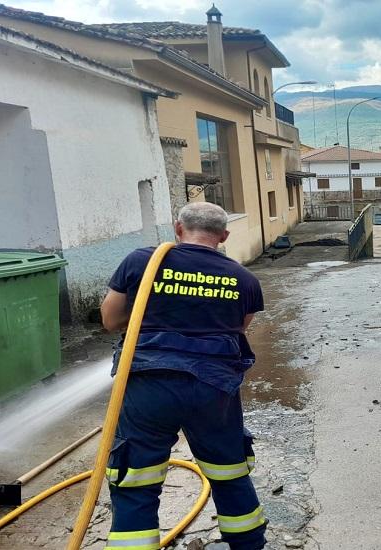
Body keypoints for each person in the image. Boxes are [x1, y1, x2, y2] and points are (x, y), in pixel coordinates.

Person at [100, 202, 266, 550]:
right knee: (229, 471)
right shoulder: (245, 280)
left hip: (149, 384)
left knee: (136, 479)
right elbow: (237, 330)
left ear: (178, 229)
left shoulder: (141, 262)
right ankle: (249, 545)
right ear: (224, 236)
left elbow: (111, 320)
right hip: (213, 388)